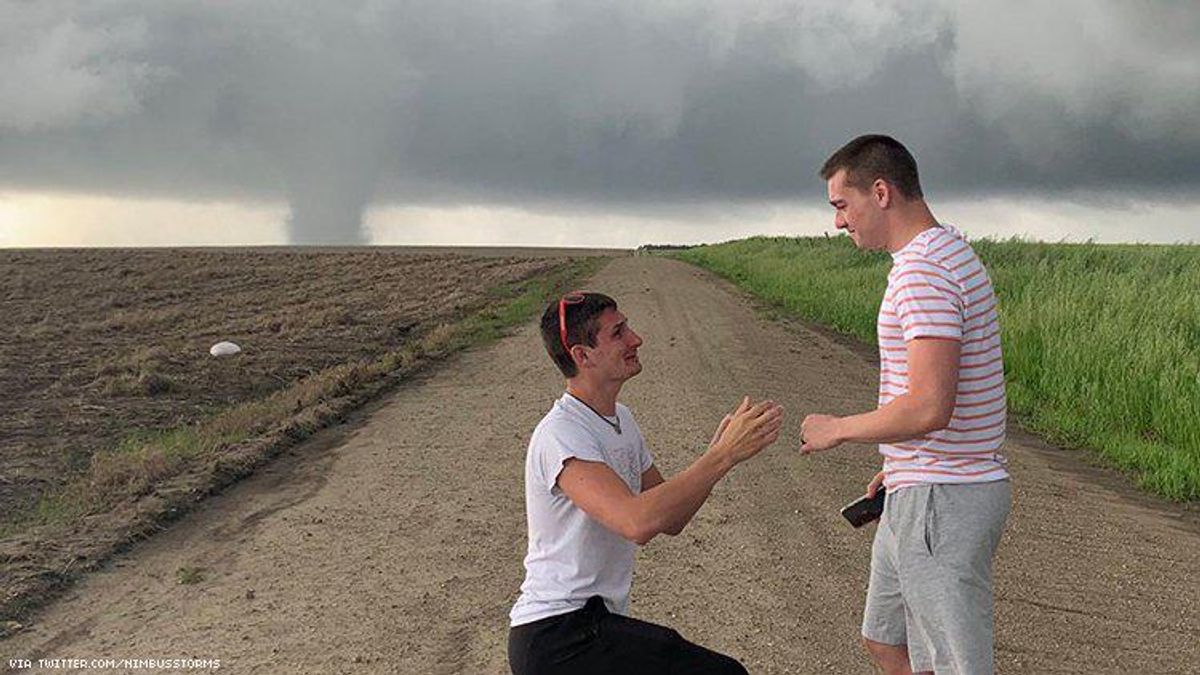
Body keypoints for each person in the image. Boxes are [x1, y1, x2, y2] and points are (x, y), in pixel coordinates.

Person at [799, 135, 1012, 675]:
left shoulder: (923, 271)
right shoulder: (945, 251)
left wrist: (839, 429)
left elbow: (929, 406)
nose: (839, 222)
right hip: (921, 485)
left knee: (954, 663)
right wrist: (898, 466)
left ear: (880, 192)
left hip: (945, 498)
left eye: (842, 205)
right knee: (885, 640)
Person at [508, 291, 783, 675]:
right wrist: (721, 456)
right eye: (618, 332)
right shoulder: (562, 433)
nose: (636, 339)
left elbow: (669, 519)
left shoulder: (622, 419)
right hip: (558, 636)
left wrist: (720, 456)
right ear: (581, 356)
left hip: (591, 628)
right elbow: (636, 522)